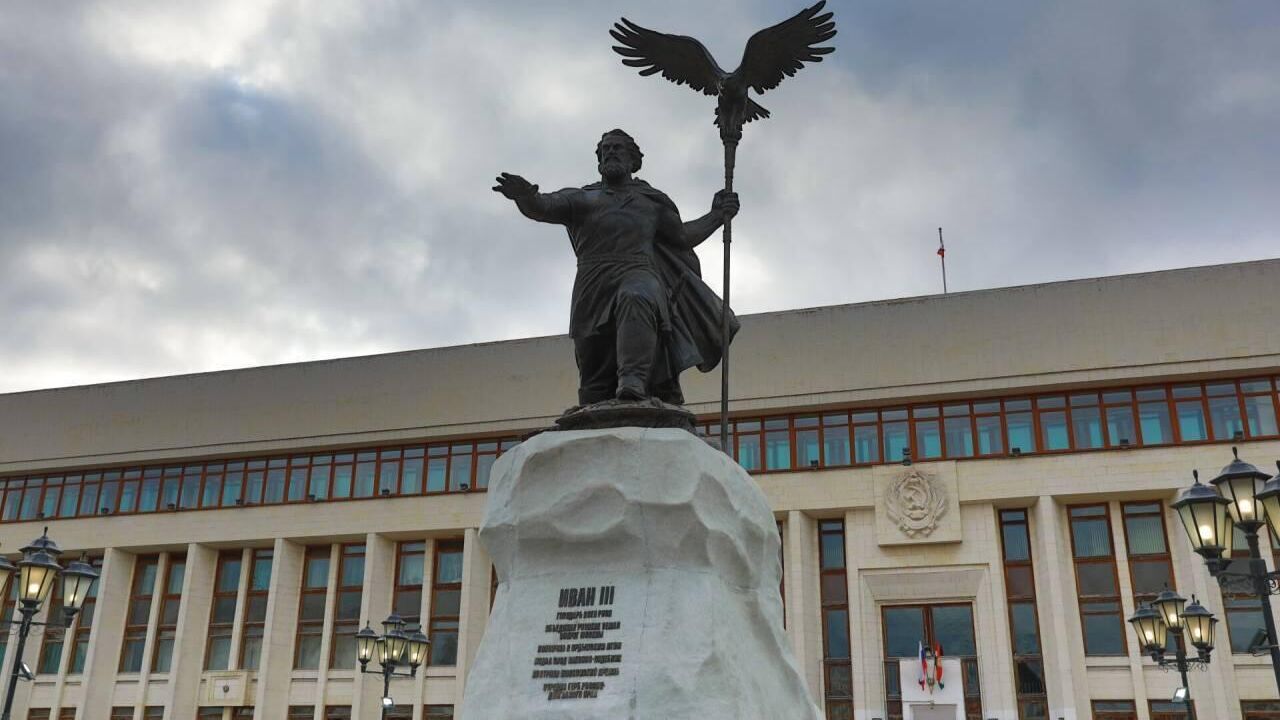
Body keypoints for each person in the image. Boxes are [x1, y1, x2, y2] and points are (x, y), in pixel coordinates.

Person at [493, 129, 739, 405]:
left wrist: (717, 216)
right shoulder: (582, 198)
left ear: (633, 160)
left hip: (639, 270)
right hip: (592, 282)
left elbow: (681, 237)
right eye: (605, 149)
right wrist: (525, 197)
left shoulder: (651, 202)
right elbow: (544, 207)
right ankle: (598, 408)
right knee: (593, 383)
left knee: (636, 297)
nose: (610, 152)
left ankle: (633, 381)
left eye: (617, 148)